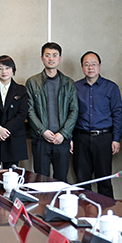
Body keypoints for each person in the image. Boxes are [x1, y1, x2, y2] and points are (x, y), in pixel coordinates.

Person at [72, 51, 122, 198]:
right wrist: (70, 139)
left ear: (99, 66)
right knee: (82, 181)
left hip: (104, 138)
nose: (90, 67)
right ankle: (83, 211)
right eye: (87, 64)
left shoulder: (111, 87)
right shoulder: (75, 87)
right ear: (82, 67)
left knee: (104, 180)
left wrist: (116, 139)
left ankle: (107, 211)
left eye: (94, 64)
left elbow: (118, 114)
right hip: (80, 138)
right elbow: (69, 114)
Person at [25, 42, 78, 182]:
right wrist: (42, 131)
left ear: (60, 58)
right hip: (41, 140)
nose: (51, 58)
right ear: (42, 58)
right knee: (41, 180)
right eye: (47, 55)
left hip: (62, 140)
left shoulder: (69, 83)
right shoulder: (32, 82)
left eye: (54, 55)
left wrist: (63, 133)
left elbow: (74, 110)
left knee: (61, 180)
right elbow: (29, 110)